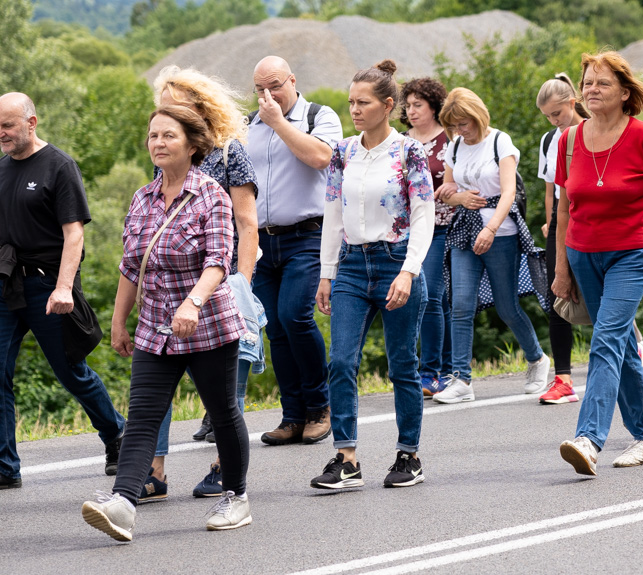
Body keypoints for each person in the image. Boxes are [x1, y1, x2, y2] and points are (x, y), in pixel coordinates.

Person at [81, 106, 251, 541]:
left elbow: (218, 261)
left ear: (192, 145)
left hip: (207, 323)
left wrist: (192, 303)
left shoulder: (211, 194)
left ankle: (235, 497)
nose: (157, 142)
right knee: (142, 417)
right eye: (153, 135)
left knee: (223, 413)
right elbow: (130, 266)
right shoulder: (142, 198)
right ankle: (123, 504)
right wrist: (119, 322)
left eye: (168, 136)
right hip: (155, 327)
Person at [137, 65, 262, 502]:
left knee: (225, 392)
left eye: (175, 102)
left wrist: (240, 284)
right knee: (157, 386)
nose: (165, 114)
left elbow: (247, 224)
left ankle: (223, 469)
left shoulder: (229, 153)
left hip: (221, 281)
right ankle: (153, 469)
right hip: (171, 294)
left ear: (198, 106)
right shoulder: (165, 150)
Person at [553, 51, 643, 476]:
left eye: (601, 83)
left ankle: (588, 439)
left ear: (625, 92)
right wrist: (560, 270)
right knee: (621, 344)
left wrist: (636, 228)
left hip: (632, 252)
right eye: (587, 82)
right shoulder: (568, 141)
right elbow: (564, 211)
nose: (591, 90)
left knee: (606, 339)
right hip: (582, 252)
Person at [313, 60, 434, 489]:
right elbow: (332, 213)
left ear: (387, 105)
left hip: (397, 261)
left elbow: (423, 216)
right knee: (341, 361)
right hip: (351, 265)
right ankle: (346, 458)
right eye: (350, 102)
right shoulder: (342, 153)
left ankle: (408, 455)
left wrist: (408, 271)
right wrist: (326, 273)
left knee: (402, 364)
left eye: (363, 102)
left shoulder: (409, 153)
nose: (354, 109)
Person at [0, 92, 125, 489]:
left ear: (31, 122)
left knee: (70, 372)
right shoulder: (1, 170)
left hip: (49, 285)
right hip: (7, 285)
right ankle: (5, 467)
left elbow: (74, 234)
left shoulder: (59, 166)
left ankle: (116, 435)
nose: (1, 133)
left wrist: (64, 288)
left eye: (7, 125)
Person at [432, 87, 551, 404]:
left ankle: (537, 359)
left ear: (477, 116)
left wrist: (491, 228)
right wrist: (458, 198)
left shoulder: (500, 142)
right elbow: (448, 188)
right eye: (454, 125)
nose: (460, 130)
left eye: (464, 123)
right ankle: (461, 379)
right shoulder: (455, 146)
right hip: (464, 231)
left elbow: (509, 192)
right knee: (461, 304)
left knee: (507, 305)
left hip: (501, 231)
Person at [247, 56, 343, 446]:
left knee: (295, 316)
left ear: (292, 80)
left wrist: (279, 124)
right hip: (261, 241)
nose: (267, 95)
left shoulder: (320, 115)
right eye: (259, 89)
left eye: (274, 85)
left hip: (307, 235)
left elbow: (321, 158)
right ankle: (292, 415)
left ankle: (321, 407)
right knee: (275, 327)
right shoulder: (247, 126)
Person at [535, 73, 590, 405]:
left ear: (573, 102)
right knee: (557, 291)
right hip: (562, 217)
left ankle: (625, 355)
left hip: (591, 216)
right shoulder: (549, 140)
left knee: (595, 293)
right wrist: (551, 221)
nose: (554, 121)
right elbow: (549, 189)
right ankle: (563, 378)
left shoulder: (593, 128)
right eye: (548, 116)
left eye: (557, 113)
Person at [400, 77, 453, 397]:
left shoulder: (449, 139)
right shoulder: (400, 140)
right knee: (429, 299)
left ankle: (431, 372)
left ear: (434, 106)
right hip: (404, 229)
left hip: (440, 226)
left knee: (432, 293)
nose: (412, 111)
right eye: (407, 106)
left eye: (418, 105)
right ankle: (445, 368)